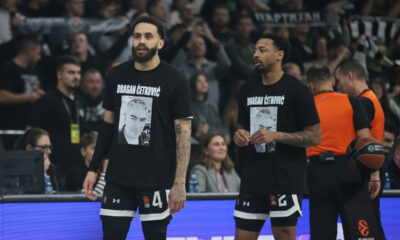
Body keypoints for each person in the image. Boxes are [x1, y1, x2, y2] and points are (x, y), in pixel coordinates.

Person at [82, 16, 192, 240]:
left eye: (148, 36)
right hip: (118, 178)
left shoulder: (175, 79)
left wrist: (180, 182)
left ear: (160, 43)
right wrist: (93, 168)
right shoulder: (116, 75)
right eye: (137, 36)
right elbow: (107, 127)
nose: (141, 41)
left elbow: (184, 137)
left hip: (157, 178)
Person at [233, 33, 321, 240]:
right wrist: (239, 135)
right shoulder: (247, 88)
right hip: (252, 177)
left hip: (285, 178)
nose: (255, 54)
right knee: (242, 236)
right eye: (254, 50)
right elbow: (241, 127)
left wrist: (276, 135)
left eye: (262, 50)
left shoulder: (297, 89)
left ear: (279, 54)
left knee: (284, 234)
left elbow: (315, 136)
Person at [306, 64, 378, 239]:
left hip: (317, 173)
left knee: (322, 234)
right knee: (360, 233)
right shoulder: (352, 101)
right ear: (331, 81)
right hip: (350, 170)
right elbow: (366, 141)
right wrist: (374, 174)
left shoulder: (306, 107)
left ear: (311, 86)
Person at [335, 59, 385, 239]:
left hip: (367, 169)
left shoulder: (363, 103)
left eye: (339, 81)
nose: (338, 87)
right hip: (373, 166)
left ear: (350, 76)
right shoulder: (372, 98)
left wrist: (373, 174)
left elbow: (365, 140)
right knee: (372, 225)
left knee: (364, 229)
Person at [29, 55, 85, 191]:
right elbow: (32, 133)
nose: (76, 77)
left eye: (78, 72)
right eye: (71, 72)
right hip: (55, 165)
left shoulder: (80, 101)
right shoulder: (46, 101)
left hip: (77, 165)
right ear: (59, 74)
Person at [0, 35, 44, 149]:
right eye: (38, 53)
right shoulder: (8, 69)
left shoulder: (33, 70)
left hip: (31, 127)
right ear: (30, 51)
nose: (39, 57)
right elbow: (2, 96)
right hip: (13, 128)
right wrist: (28, 97)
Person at [16, 127, 59, 193]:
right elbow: (29, 196)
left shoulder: (51, 168)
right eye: (44, 147)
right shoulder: (19, 171)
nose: (49, 151)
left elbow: (58, 194)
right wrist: (41, 171)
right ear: (29, 148)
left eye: (49, 147)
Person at [78, 69, 104, 133]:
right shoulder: (76, 102)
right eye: (91, 82)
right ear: (82, 85)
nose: (95, 85)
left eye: (98, 82)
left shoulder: (108, 102)